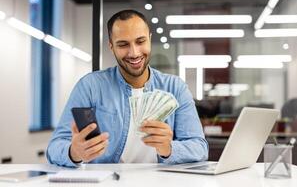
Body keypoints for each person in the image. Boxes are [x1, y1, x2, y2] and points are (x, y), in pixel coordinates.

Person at [46, 9, 208, 167]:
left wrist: (169, 149)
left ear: (150, 39)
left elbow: (200, 148)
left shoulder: (175, 87)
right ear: (111, 46)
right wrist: (74, 152)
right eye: (123, 44)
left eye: (140, 41)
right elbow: (54, 147)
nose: (134, 53)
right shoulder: (90, 86)